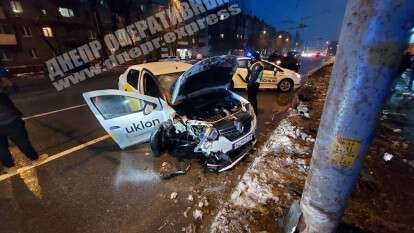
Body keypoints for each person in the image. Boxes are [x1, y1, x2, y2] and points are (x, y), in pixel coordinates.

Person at [0, 76, 45, 173]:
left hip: (8, 119)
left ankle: (10, 167)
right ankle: (35, 159)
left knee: (1, 147)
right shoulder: (2, 87)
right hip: (10, 120)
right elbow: (13, 89)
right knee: (22, 141)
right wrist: (7, 82)